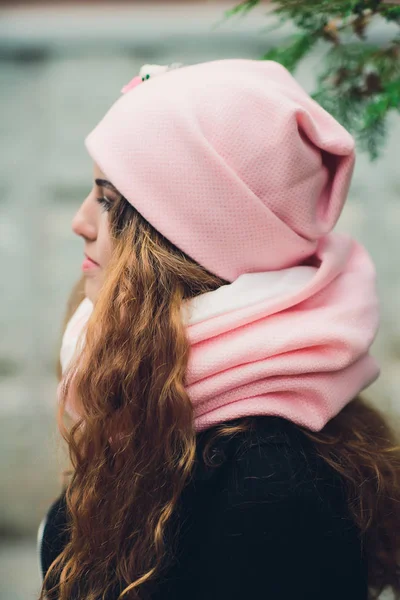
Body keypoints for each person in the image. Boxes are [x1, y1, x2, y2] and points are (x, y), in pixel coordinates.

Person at [38, 59, 400, 600]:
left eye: (109, 199)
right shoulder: (165, 399)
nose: (81, 220)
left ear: (185, 237)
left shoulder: (271, 482)